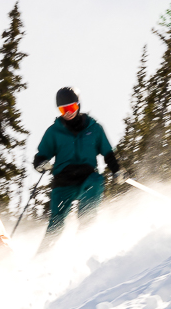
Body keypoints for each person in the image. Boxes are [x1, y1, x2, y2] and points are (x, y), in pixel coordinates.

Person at [32, 86, 120, 246]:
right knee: (56, 222)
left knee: (97, 181)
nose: (68, 112)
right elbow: (40, 156)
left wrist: (117, 171)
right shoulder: (54, 132)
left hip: (86, 178)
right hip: (63, 182)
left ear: (78, 105)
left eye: (71, 107)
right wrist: (40, 164)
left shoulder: (94, 129)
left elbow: (108, 152)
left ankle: (84, 232)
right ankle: (42, 256)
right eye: (63, 109)